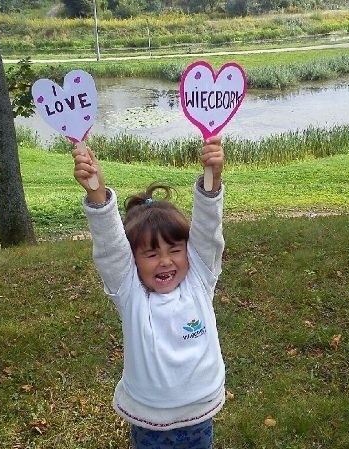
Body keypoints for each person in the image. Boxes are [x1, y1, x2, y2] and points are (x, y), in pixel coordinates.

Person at [72, 136, 226, 449]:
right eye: (151, 254)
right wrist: (96, 193)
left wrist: (213, 181)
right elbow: (110, 247)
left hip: (199, 414)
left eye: (174, 249)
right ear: (133, 260)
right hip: (150, 422)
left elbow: (208, 232)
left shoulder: (200, 277)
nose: (166, 261)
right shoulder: (129, 292)